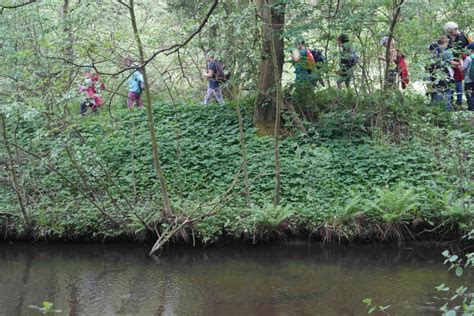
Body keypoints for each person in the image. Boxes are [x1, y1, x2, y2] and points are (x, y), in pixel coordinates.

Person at [445, 22, 472, 106]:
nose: (450, 34)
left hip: (461, 63)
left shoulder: (462, 37)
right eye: (449, 32)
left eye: (451, 32)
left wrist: (458, 63)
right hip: (451, 63)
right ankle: (452, 100)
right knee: (451, 80)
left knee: (459, 81)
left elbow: (461, 51)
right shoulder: (449, 38)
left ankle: (460, 102)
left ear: (456, 29)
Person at [431, 36, 460, 110]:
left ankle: (437, 109)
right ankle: (447, 109)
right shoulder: (447, 52)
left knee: (437, 90)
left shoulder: (433, 51)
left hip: (435, 75)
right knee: (448, 90)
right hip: (445, 75)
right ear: (445, 42)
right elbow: (452, 62)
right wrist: (460, 62)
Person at [462, 43, 474, 111]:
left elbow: (463, 68)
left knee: (469, 93)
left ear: (471, 50)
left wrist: (461, 63)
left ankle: (471, 108)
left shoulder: (468, 58)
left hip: (468, 79)